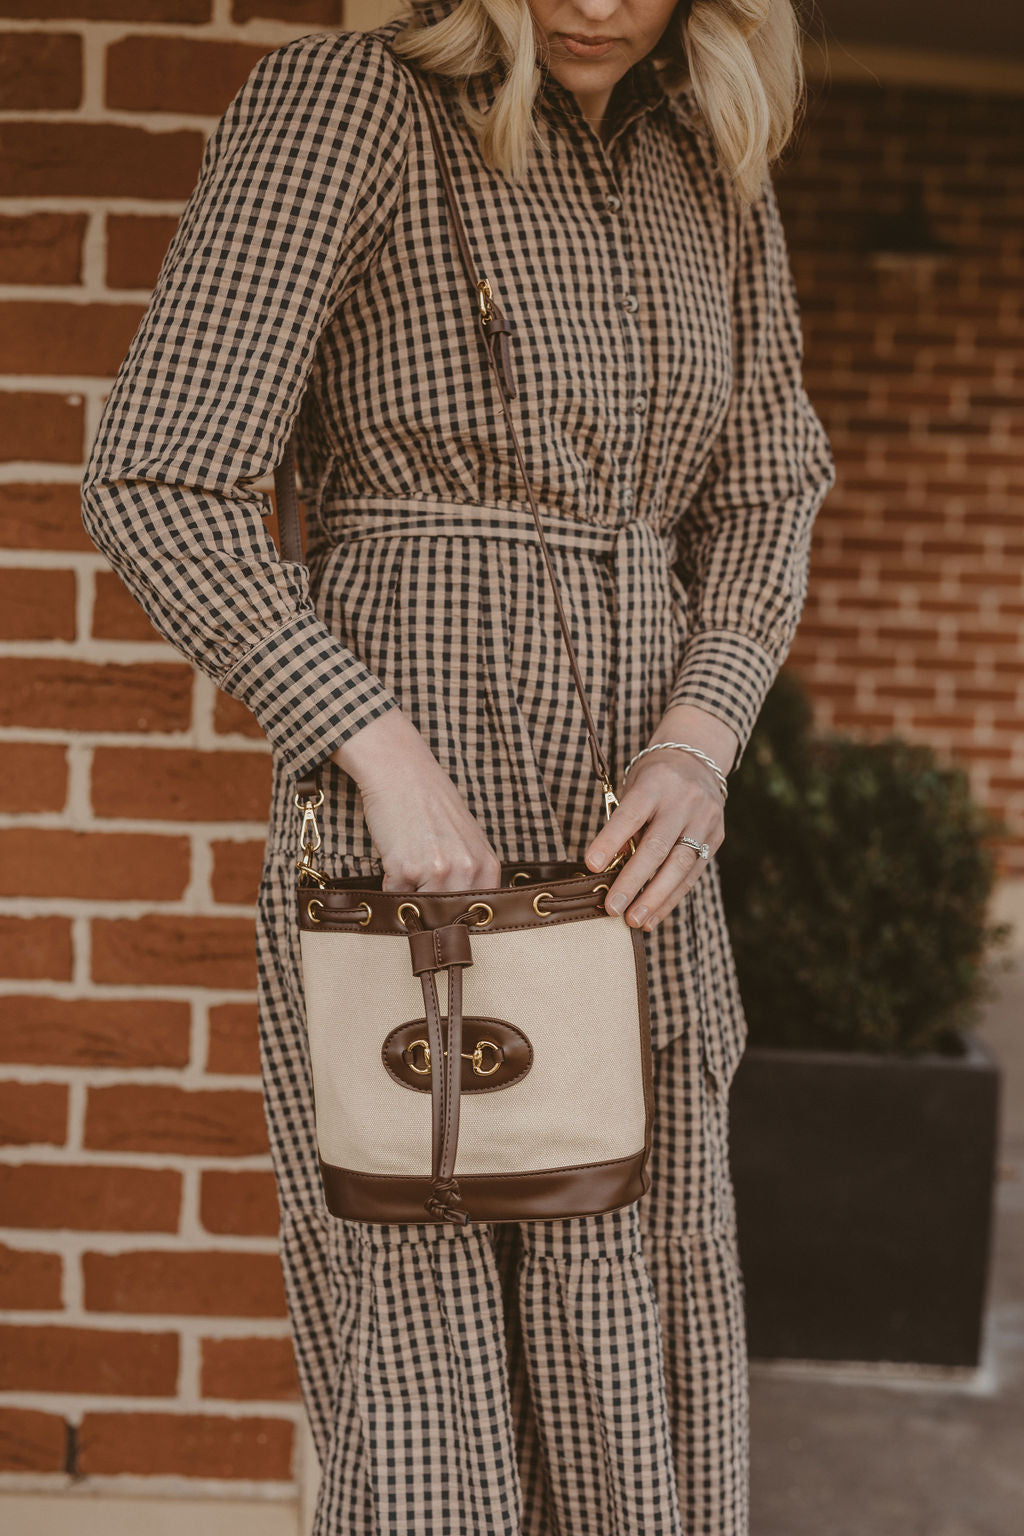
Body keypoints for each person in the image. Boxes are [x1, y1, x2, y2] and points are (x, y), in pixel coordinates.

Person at [80, 0, 836, 1530]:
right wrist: (369, 746)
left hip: (636, 843)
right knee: (424, 1339)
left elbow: (772, 490)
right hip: (418, 839)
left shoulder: (716, 167)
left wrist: (704, 737)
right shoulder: (346, 108)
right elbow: (158, 472)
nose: (597, 2)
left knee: (638, 1304)